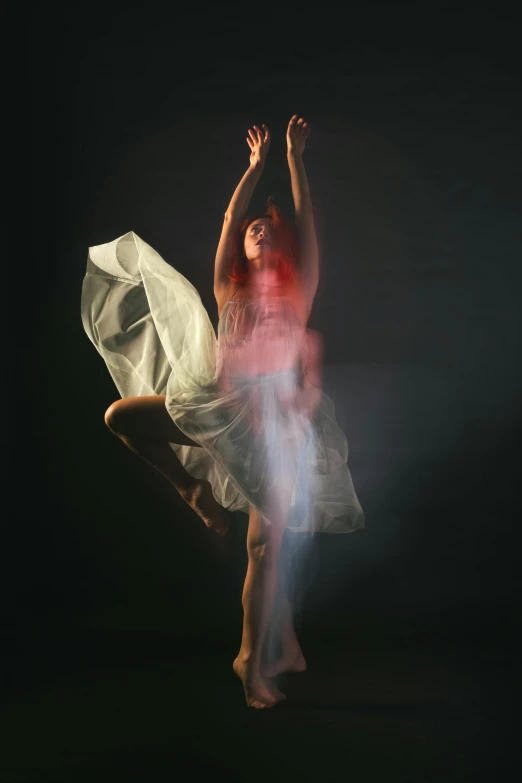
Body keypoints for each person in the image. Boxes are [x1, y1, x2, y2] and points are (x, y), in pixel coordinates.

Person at [81, 115, 365, 709]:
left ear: (282, 246)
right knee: (121, 418)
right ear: (241, 243)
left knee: (266, 547)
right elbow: (231, 219)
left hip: (275, 427)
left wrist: (294, 158)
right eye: (253, 228)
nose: (259, 230)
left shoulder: (298, 290)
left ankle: (257, 655)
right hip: (218, 410)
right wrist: (253, 168)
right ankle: (190, 491)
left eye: (268, 227)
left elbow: (306, 223)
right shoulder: (226, 289)